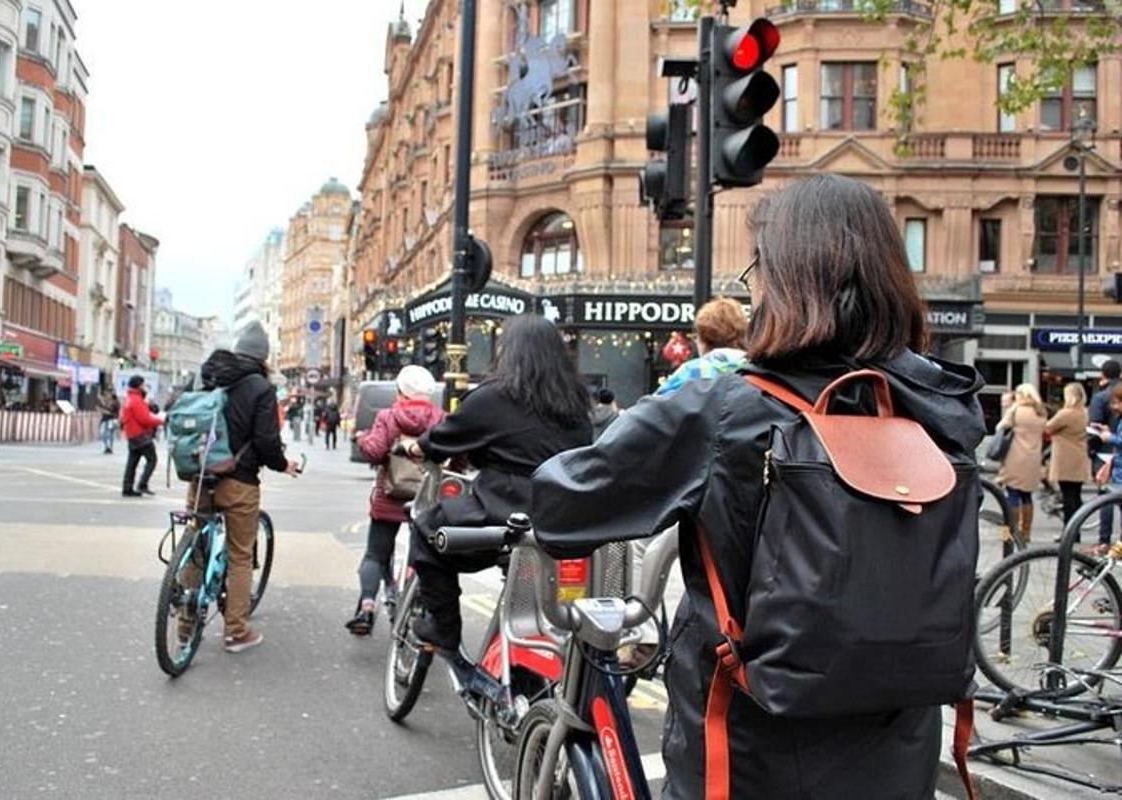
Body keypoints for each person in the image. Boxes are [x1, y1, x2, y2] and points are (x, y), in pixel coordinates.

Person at [530, 175, 986, 799]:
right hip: (899, 759)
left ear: (782, 279)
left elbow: (567, 505)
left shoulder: (723, 408)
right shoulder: (943, 405)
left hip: (749, 760)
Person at [406, 314, 593, 651]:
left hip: (502, 512)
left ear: (510, 350)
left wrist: (415, 447)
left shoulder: (496, 396)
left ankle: (443, 628)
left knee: (426, 531)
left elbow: (445, 437)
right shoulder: (576, 401)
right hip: (559, 518)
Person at [189, 321, 301, 653]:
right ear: (263, 357)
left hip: (199, 475)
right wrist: (284, 464)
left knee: (194, 547)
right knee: (240, 555)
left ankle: (183, 625)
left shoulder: (207, 375)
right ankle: (236, 631)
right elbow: (267, 441)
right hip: (239, 481)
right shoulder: (260, 388)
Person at [346, 366, 445, 635]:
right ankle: (415, 603)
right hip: (427, 500)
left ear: (400, 392)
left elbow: (375, 451)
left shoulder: (388, 417)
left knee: (375, 555)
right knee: (421, 556)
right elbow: (457, 459)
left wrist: (362, 439)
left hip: (389, 497)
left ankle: (366, 607)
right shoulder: (441, 419)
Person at [656, 297, 748, 396]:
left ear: (704, 339)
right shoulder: (757, 371)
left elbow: (653, 406)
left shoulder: (691, 371)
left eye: (696, 337)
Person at [996, 383, 1047, 544]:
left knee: (1012, 494)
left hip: (1015, 457)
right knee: (1026, 496)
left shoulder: (1016, 410)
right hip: (1033, 458)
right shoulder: (1041, 412)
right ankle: (1026, 532)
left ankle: (1011, 531)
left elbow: (1001, 427)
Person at [1046, 383, 1092, 531]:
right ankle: (1076, 531)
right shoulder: (1085, 413)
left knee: (1068, 498)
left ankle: (1068, 530)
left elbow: (1048, 427)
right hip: (1079, 457)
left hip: (1065, 459)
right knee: (1076, 496)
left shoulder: (1066, 414)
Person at [120, 375, 163, 497]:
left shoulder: (130, 398)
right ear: (139, 386)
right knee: (152, 459)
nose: (145, 387)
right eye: (144, 384)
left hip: (132, 434)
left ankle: (127, 488)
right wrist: (161, 421)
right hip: (140, 435)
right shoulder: (136, 400)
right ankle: (142, 484)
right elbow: (145, 419)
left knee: (132, 462)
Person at [97, 389, 120, 453]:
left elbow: (113, 411)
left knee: (110, 434)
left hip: (112, 419)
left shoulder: (115, 402)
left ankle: (109, 447)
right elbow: (101, 407)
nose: (107, 395)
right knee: (103, 433)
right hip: (104, 419)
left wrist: (105, 410)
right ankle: (107, 446)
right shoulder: (105, 401)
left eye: (108, 394)